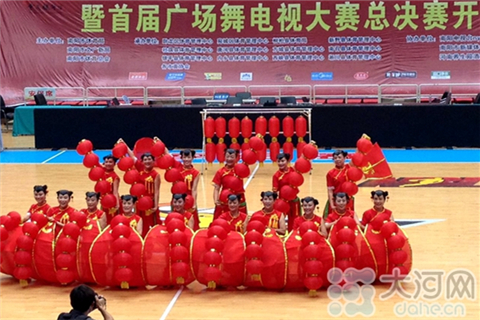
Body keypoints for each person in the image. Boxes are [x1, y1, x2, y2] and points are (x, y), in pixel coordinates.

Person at [120, 137, 161, 236]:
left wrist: (155, 205)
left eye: (149, 159)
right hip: (138, 202)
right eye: (145, 160)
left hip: (149, 203)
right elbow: (132, 156)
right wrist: (124, 144)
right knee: (138, 222)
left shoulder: (156, 174)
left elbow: (156, 191)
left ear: (153, 161)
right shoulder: (140, 167)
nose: (147, 161)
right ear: (142, 161)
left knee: (150, 223)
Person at [212, 149, 247, 219]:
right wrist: (216, 200)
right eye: (227, 157)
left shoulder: (241, 169)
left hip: (239, 200)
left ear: (236, 158)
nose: (229, 159)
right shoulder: (220, 172)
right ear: (224, 157)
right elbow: (216, 188)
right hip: (225, 201)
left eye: (232, 157)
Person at [272, 153, 301, 232]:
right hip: (282, 202)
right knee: (279, 219)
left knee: (294, 219)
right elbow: (275, 191)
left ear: (287, 161)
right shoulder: (276, 176)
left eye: (282, 161)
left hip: (293, 201)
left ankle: (293, 236)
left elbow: (301, 163)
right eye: (278, 161)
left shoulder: (293, 170)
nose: (280, 163)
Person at [172, 149, 200, 230]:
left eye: (189, 157)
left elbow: (194, 189)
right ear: (181, 158)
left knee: (191, 223)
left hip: (189, 201)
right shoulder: (177, 167)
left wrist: (194, 203)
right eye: (184, 157)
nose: (186, 159)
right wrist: (159, 142)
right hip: (177, 200)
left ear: (193, 158)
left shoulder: (196, 173)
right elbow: (167, 156)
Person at [325, 150, 354, 217]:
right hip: (336, 201)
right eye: (335, 158)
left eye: (339, 157)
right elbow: (330, 190)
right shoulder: (330, 173)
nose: (337, 159)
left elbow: (358, 156)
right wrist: (332, 204)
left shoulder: (349, 168)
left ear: (344, 158)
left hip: (347, 200)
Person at [101, 155, 120, 224]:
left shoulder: (115, 177)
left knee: (110, 220)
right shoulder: (101, 172)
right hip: (103, 200)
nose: (108, 164)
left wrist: (117, 204)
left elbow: (115, 192)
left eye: (110, 162)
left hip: (111, 202)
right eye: (106, 162)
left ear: (114, 164)